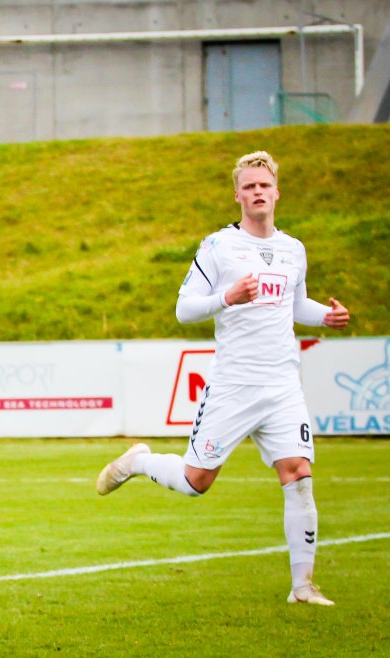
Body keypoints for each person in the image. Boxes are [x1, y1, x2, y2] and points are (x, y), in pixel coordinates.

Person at [96, 151, 350, 606]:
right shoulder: (218, 246)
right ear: (237, 195)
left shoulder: (293, 249)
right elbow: (184, 308)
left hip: (282, 384)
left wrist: (326, 317)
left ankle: (303, 587)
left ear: (277, 192)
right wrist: (226, 298)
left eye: (264, 185)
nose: (257, 192)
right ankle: (140, 462)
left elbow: (296, 305)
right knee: (196, 481)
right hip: (234, 384)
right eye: (249, 186)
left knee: (298, 473)